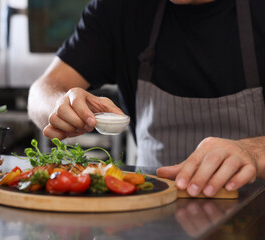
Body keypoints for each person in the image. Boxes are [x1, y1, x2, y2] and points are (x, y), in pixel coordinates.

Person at [27, 0, 265, 197]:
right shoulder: (121, 8)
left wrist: (253, 152)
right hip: (150, 213)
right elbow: (40, 92)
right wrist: (60, 105)